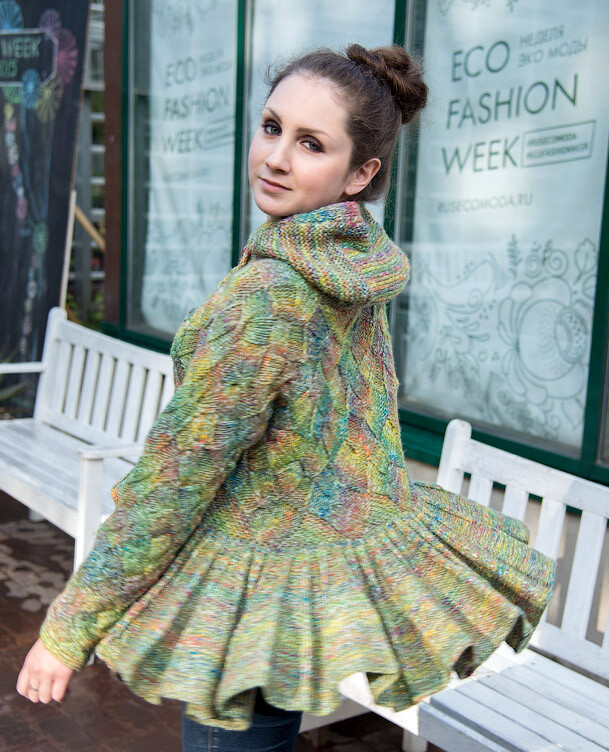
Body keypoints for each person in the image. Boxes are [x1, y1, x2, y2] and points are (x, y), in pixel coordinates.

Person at [17, 44, 555, 752]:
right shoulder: (348, 263)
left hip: (255, 594)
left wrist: (67, 630)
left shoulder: (272, 295)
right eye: (272, 127)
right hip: (304, 589)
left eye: (310, 143)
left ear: (360, 174)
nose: (275, 158)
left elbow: (176, 479)